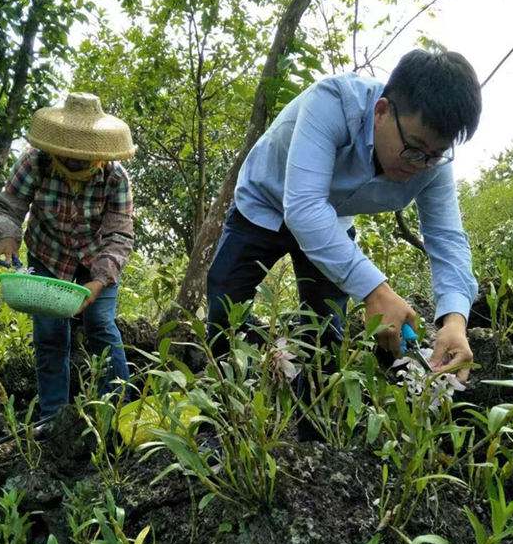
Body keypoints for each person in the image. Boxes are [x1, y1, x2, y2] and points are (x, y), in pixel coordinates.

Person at [206, 49, 482, 440]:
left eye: (434, 156)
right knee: (223, 311)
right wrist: (376, 290)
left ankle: (313, 440)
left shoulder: (431, 161)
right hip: (265, 202)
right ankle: (218, 426)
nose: (420, 164)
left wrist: (454, 321)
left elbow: (447, 238)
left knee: (326, 334)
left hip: (330, 220)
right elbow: (302, 207)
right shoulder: (333, 103)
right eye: (414, 149)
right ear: (382, 111)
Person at [0, 92, 135, 419]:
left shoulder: (116, 178)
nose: (75, 163)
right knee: (51, 333)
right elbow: (7, 207)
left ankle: (116, 412)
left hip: (96, 261)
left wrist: (99, 281)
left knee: (100, 325)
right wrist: (8, 238)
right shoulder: (34, 162)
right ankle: (53, 417)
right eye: (69, 157)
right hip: (48, 256)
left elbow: (119, 234)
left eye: (84, 158)